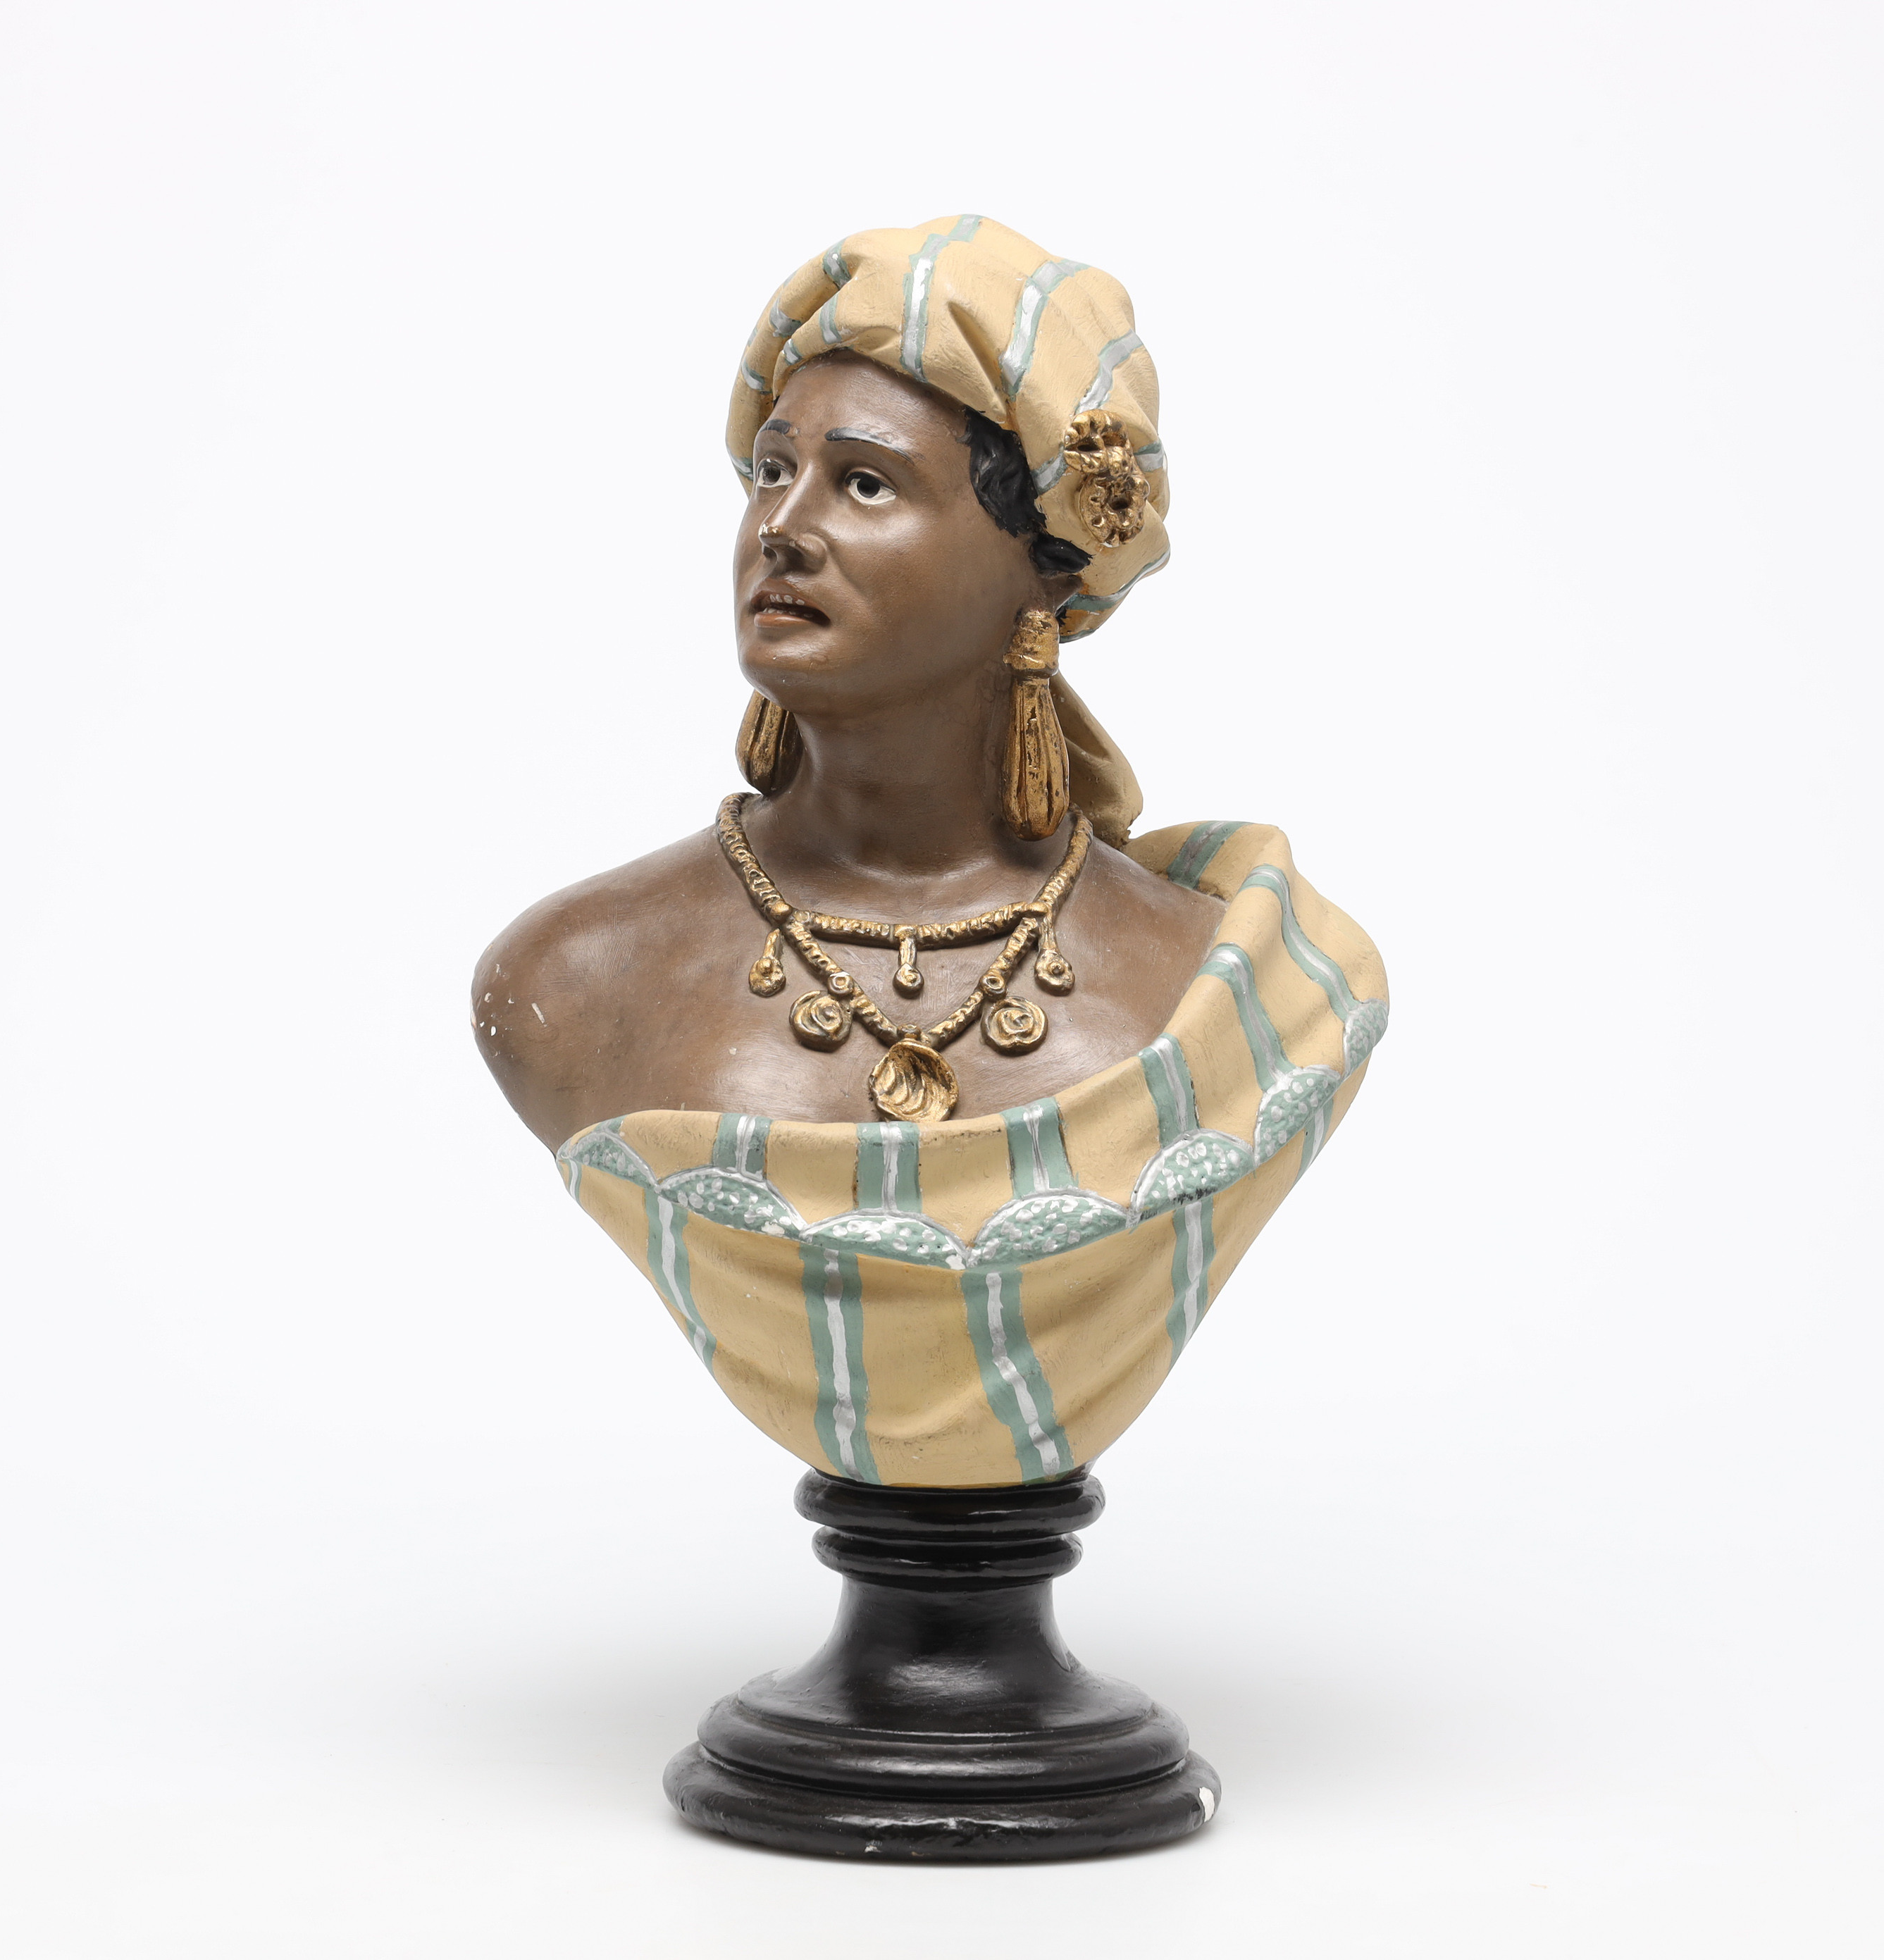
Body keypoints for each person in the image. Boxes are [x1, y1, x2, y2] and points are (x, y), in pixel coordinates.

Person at [473, 216, 1386, 1490]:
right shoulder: (573, 982)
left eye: (864, 484)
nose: (782, 526)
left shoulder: (1249, 997)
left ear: (1041, 569)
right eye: (770, 471)